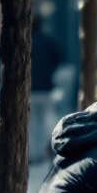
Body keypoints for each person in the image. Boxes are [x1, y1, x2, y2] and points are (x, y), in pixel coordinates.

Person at [30, 15, 63, 164]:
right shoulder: (48, 40)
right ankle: (47, 151)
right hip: (46, 89)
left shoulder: (24, 41)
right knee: (46, 122)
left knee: (31, 123)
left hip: (28, 90)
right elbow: (58, 59)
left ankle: (35, 154)